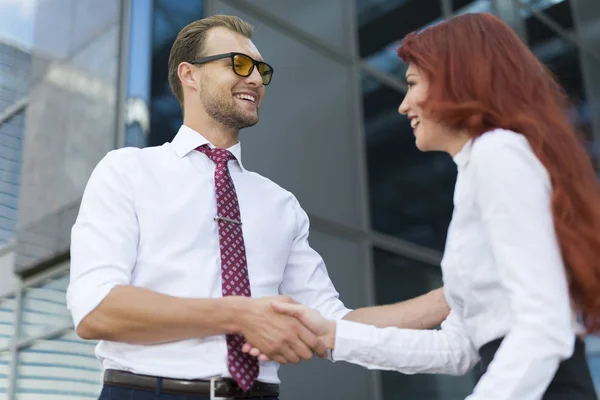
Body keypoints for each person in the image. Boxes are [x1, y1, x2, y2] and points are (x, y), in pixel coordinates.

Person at [66, 15, 450, 400]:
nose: (254, 79)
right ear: (190, 75)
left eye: (261, 70)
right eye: (239, 64)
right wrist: (239, 314)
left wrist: (456, 295)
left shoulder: (280, 205)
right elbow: (96, 309)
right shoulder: (128, 170)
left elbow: (334, 324)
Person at [251, 12, 600, 400]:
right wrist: (331, 334)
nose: (402, 106)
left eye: (413, 84)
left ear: (457, 80)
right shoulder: (476, 170)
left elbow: (544, 325)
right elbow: (456, 350)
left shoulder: (496, 154)